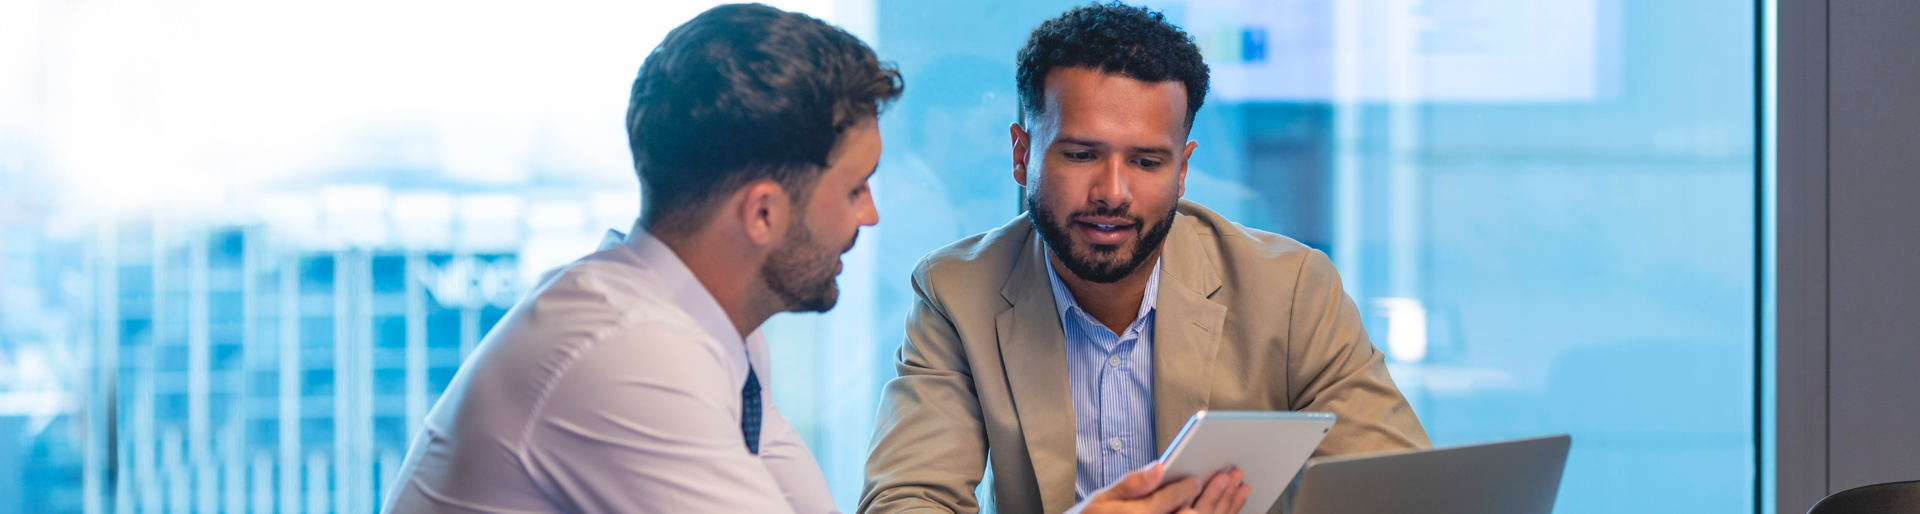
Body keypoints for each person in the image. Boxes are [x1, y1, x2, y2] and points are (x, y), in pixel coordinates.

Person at [381, 4, 1241, 514]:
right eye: (855, 189)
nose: (871, 216)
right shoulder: (626, 360)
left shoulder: (710, 337)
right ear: (763, 212)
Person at [860, 4, 1432, 514]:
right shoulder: (956, 294)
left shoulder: (1291, 291)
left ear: (1183, 170)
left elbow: (1402, 493)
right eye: (1082, 154)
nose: (1112, 191)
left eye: (1147, 162)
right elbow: (907, 501)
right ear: (1022, 153)